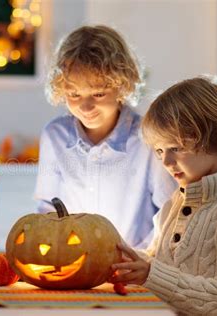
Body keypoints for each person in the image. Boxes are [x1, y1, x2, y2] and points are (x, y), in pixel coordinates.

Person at [110, 75, 217, 315]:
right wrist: (123, 259)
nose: (166, 161)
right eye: (160, 151)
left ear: (215, 135)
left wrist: (151, 274)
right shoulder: (177, 202)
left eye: (176, 148)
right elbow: (158, 261)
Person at [34, 25, 176, 248]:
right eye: (74, 94)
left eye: (98, 94)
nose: (86, 106)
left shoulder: (148, 138)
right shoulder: (54, 136)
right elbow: (47, 206)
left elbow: (170, 210)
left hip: (134, 267)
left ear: (122, 86)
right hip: (73, 262)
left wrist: (143, 257)